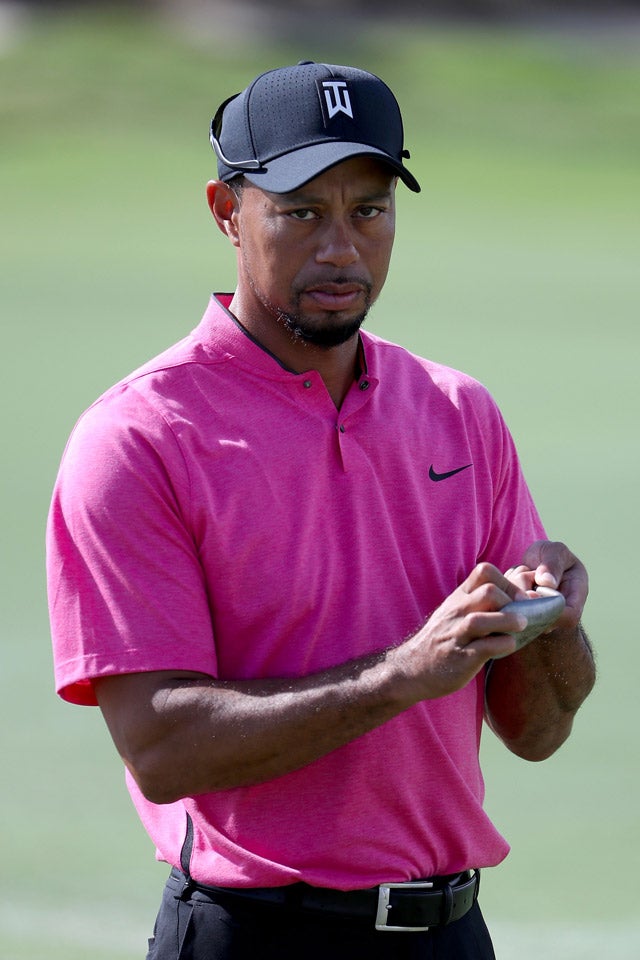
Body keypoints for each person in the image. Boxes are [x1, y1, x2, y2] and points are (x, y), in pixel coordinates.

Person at [47, 61, 595, 959]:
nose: (341, 248)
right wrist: (401, 677)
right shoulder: (139, 437)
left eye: (368, 210)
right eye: (301, 212)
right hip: (253, 934)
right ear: (228, 213)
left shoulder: (460, 412)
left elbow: (536, 730)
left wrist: (556, 625)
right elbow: (162, 745)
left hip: (449, 934)